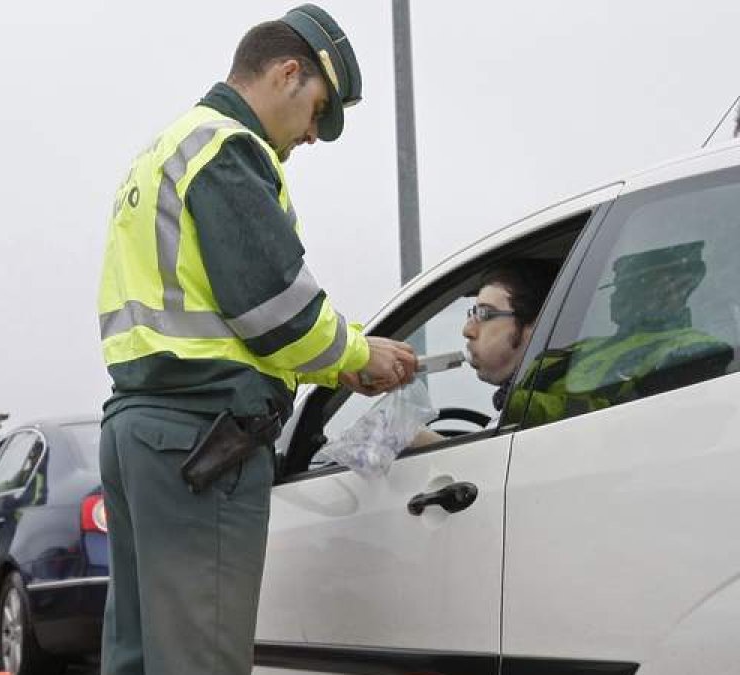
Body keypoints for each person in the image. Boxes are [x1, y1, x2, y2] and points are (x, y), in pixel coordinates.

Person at [95, 5, 418, 673]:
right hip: (201, 440)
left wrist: (334, 368)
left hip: (138, 432)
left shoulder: (164, 149)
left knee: (140, 654)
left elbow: (223, 313)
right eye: (316, 111)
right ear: (287, 72)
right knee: (201, 659)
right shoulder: (226, 148)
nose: (311, 136)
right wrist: (359, 354)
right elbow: (274, 308)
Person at [507, 242, 733, 424]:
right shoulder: (578, 348)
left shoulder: (693, 349)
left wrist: (518, 404)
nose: (617, 296)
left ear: (672, 290)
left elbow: (619, 421)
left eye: (631, 285)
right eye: (617, 286)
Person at [413, 260, 560, 445]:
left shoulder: (547, 408)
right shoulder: (529, 403)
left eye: (484, 314)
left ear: (535, 326)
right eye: (473, 314)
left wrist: (423, 442)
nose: (467, 330)